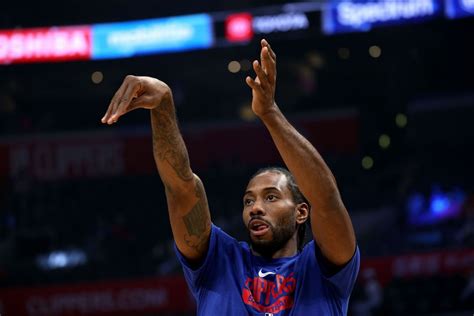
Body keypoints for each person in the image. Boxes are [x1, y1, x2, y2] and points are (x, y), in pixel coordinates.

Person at [101, 39, 359, 315]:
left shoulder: (324, 269)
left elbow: (327, 199)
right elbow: (182, 188)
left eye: (271, 197)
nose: (255, 207)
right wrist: (163, 106)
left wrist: (269, 114)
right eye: (248, 201)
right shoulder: (218, 261)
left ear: (301, 212)